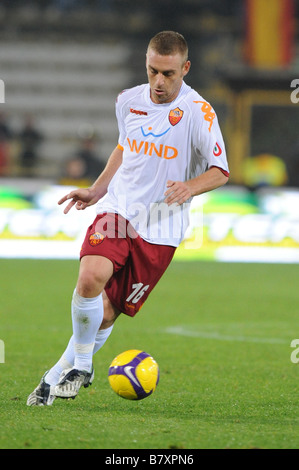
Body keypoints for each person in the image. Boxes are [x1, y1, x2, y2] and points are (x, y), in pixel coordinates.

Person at [27, 31, 229, 406]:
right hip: (119, 211)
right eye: (153, 71)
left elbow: (220, 170)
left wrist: (190, 186)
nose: (159, 82)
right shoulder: (128, 101)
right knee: (90, 279)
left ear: (185, 68)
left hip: (160, 228)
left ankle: (55, 376)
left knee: (104, 313)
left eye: (168, 73)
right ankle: (85, 366)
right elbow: (124, 147)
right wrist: (98, 189)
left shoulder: (199, 113)